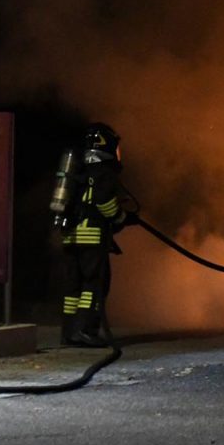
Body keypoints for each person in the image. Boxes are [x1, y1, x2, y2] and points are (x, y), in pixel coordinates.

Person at [59, 122, 137, 347]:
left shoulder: (79, 169)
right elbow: (105, 203)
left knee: (73, 287)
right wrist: (121, 217)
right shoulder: (104, 171)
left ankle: (69, 332)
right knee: (94, 285)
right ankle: (86, 330)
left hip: (70, 236)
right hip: (92, 236)